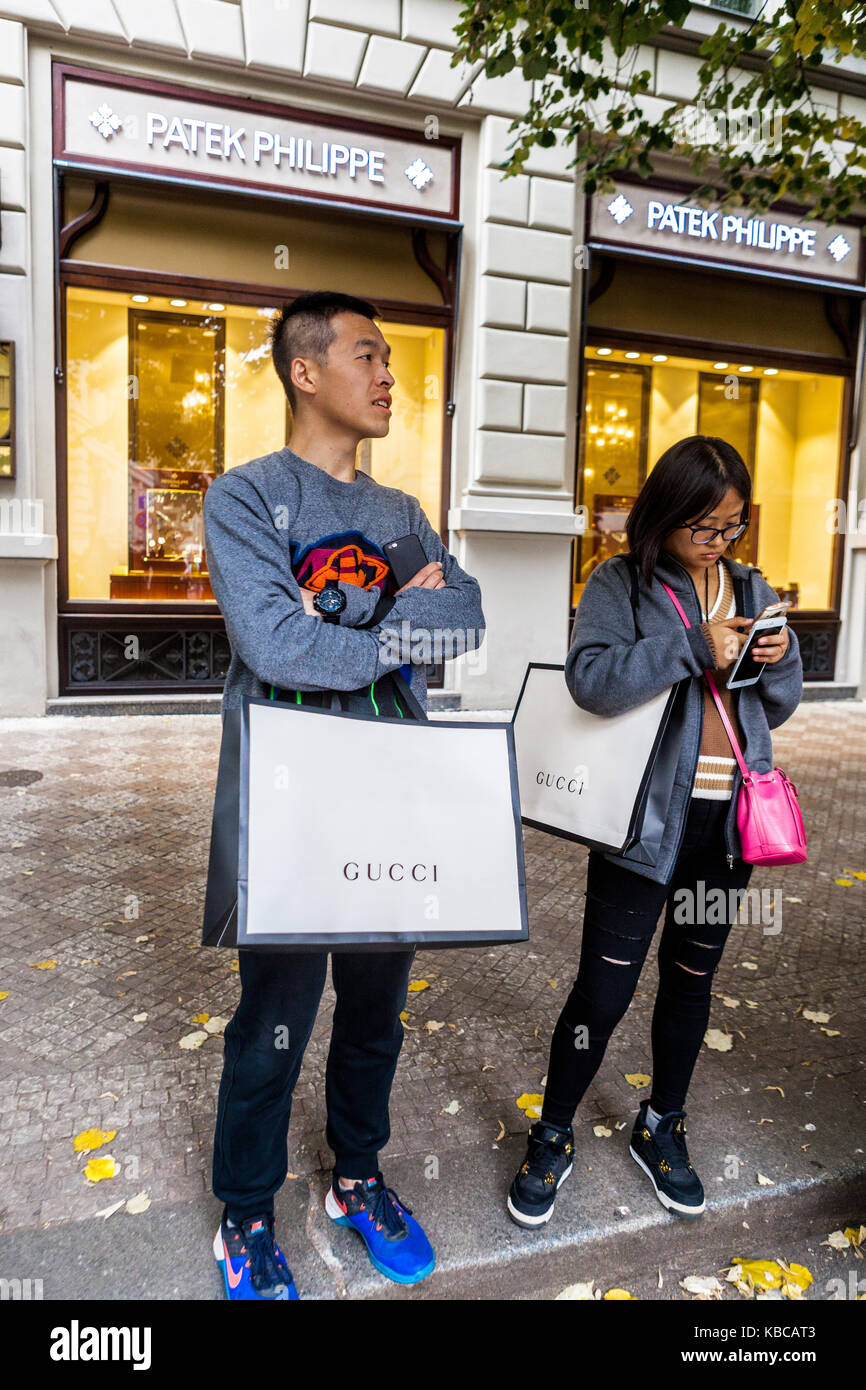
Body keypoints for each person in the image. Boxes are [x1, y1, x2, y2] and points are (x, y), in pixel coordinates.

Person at [203, 290, 485, 1298]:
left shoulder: (399, 513)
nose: (387, 379)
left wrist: (364, 638)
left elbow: (465, 621)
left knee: (375, 1006)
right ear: (303, 371)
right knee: (274, 1013)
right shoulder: (244, 498)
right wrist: (390, 632)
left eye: (392, 363)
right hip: (289, 798)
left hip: (391, 794)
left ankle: (355, 1179)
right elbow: (271, 641)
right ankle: (244, 1210)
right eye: (366, 356)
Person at [507, 435, 802, 1229]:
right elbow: (592, 681)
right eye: (703, 527)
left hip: (725, 829)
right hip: (642, 828)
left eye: (732, 526)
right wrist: (693, 646)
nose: (718, 543)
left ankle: (662, 1125)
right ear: (665, 516)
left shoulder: (750, 584)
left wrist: (775, 654)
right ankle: (554, 1131)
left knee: (691, 982)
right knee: (603, 988)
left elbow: (779, 703)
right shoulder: (620, 582)